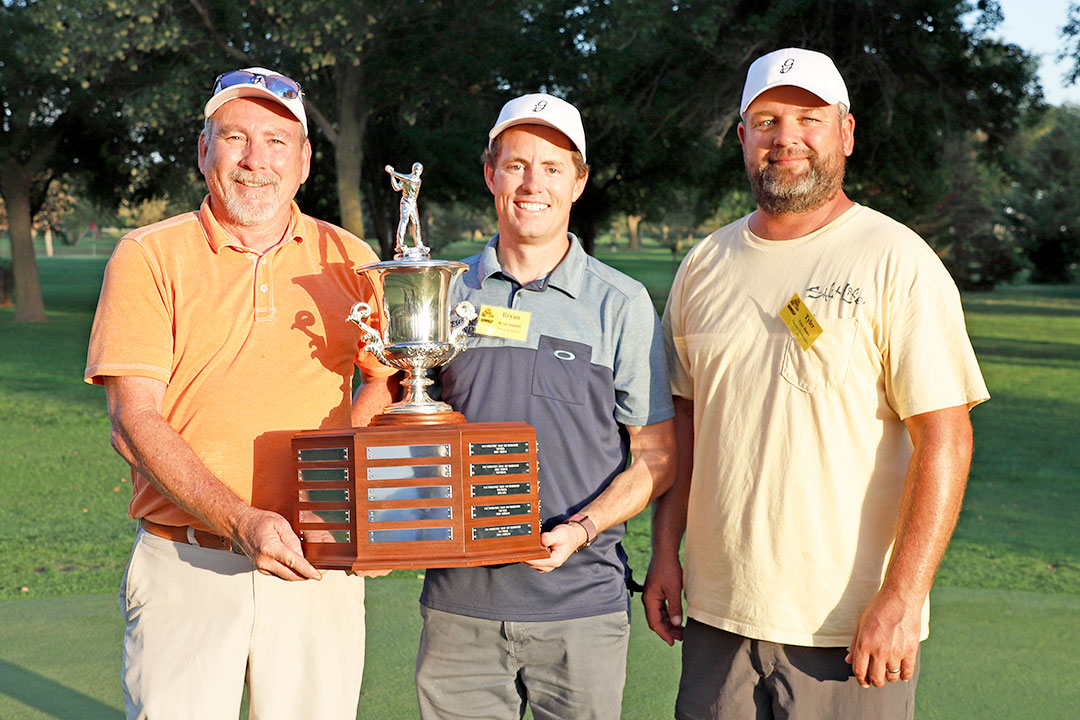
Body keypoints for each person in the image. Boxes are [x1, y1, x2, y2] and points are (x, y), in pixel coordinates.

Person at [643, 48, 990, 720]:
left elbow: (946, 439)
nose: (787, 137)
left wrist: (902, 598)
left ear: (846, 133)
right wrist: (664, 552)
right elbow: (684, 424)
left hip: (848, 627)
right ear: (742, 137)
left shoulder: (897, 260)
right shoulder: (704, 264)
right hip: (719, 616)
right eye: (767, 120)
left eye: (809, 119)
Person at [84, 66, 395, 719]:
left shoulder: (353, 259)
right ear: (205, 151)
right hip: (188, 562)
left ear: (304, 161)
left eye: (277, 141)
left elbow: (387, 382)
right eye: (235, 137)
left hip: (318, 566)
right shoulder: (147, 255)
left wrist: (354, 499)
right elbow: (133, 421)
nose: (256, 160)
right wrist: (241, 520)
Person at [414, 93, 677, 720]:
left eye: (553, 168)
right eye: (516, 165)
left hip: (581, 607)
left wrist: (582, 528)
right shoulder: (440, 294)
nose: (533, 184)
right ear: (490, 175)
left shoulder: (621, 303)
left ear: (578, 182)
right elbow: (401, 427)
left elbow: (657, 454)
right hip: (459, 608)